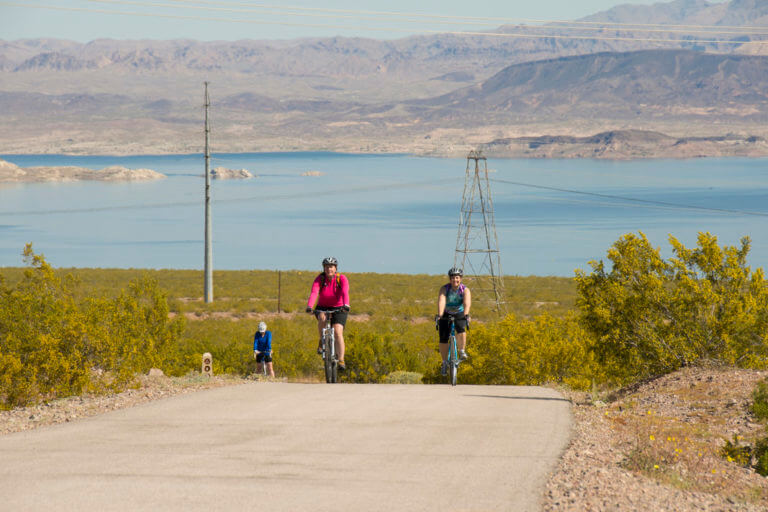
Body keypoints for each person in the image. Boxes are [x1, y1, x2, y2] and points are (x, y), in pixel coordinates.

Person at [306, 257, 350, 371]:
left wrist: (346, 304)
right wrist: (310, 306)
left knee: (337, 332)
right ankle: (322, 339)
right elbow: (314, 292)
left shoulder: (342, 278)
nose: (328, 268)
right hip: (323, 307)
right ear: (323, 268)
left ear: (335, 268)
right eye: (326, 266)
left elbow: (345, 292)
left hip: (340, 308)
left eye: (331, 266)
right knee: (322, 317)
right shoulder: (320, 279)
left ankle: (341, 359)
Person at [436, 267, 472, 376]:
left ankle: (461, 350)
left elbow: (467, 303)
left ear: (460, 278)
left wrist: (466, 315)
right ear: (449, 279)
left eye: (457, 278)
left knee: (461, 328)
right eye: (452, 278)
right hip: (446, 312)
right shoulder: (445, 289)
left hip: (459, 312)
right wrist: (440, 315)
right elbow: (441, 301)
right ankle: (444, 362)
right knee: (443, 338)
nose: (454, 280)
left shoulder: (464, 289)